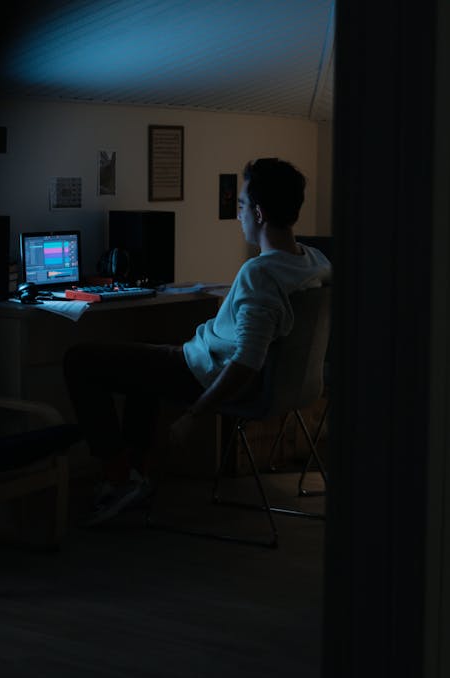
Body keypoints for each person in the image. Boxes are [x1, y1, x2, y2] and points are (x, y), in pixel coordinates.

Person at [63, 157, 332, 525]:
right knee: (144, 360)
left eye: (239, 206)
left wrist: (194, 415)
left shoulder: (260, 274)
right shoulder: (314, 261)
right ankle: (136, 474)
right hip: (238, 371)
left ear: (258, 212)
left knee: (80, 360)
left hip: (204, 373)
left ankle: (119, 477)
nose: (238, 216)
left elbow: (246, 361)